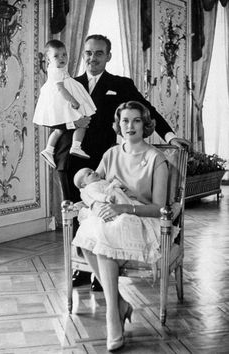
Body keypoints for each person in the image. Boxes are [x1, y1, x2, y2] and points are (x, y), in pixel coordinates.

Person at [54, 34, 190, 290]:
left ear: (108, 56)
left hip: (101, 158)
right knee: (79, 213)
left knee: (106, 211)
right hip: (70, 158)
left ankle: (102, 273)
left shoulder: (120, 83)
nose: (92, 58)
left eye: (98, 53)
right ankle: (83, 268)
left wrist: (170, 136)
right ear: (83, 55)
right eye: (88, 53)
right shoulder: (69, 83)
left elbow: (146, 109)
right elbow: (53, 118)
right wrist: (62, 137)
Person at [72, 101, 169, 351]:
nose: (130, 126)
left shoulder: (156, 158)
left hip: (141, 218)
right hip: (112, 216)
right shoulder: (111, 154)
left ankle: (112, 316)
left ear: (145, 124)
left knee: (102, 234)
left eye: (136, 120)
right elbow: (91, 189)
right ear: (119, 124)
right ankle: (118, 305)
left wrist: (123, 208)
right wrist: (95, 207)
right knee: (88, 233)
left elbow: (159, 207)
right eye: (125, 120)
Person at [33, 39, 96, 168]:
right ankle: (76, 146)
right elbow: (61, 89)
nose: (62, 58)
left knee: (59, 130)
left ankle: (49, 150)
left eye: (64, 54)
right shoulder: (56, 70)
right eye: (56, 56)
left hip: (60, 98)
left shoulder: (58, 69)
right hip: (62, 99)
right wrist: (73, 100)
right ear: (48, 59)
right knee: (82, 121)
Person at [73, 167, 143, 212]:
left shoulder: (101, 181)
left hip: (119, 195)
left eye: (93, 170)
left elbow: (110, 185)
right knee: (121, 206)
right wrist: (106, 198)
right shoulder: (90, 187)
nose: (93, 172)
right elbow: (96, 195)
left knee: (130, 203)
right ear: (84, 184)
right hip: (111, 200)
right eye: (89, 174)